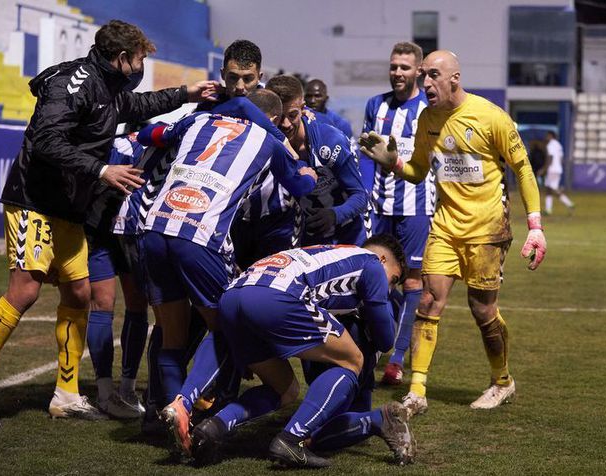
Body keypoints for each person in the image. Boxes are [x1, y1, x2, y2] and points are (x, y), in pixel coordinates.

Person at [0, 19, 220, 430]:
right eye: (141, 58)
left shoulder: (109, 86)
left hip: (68, 206)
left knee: (79, 293)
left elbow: (139, 106)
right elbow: (45, 140)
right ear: (122, 58)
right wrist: (101, 170)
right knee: (24, 291)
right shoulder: (73, 84)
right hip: (33, 200)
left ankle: (67, 394)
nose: (143, 66)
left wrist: (186, 94)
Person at [359, 50, 547, 414]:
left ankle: (502, 382)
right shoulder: (428, 118)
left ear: (453, 79)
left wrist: (535, 226)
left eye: (432, 76)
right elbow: (417, 171)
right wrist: (392, 162)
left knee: (482, 310)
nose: (425, 83)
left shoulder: (491, 117)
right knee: (428, 301)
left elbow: (523, 170)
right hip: (445, 227)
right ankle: (417, 390)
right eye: (423, 76)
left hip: (487, 230)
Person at [134, 89, 317, 456]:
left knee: (172, 335)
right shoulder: (270, 139)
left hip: (153, 229)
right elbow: (299, 186)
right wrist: (309, 172)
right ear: (277, 119)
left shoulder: (199, 120)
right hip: (198, 236)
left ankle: (170, 418)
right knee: (225, 327)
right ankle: (186, 404)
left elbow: (146, 135)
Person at [192, 236, 409, 468]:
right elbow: (386, 340)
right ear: (382, 258)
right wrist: (382, 308)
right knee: (352, 360)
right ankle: (291, 439)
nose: (390, 288)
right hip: (280, 297)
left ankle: (214, 426)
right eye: (393, 279)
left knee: (284, 389)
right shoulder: (372, 263)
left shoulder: (331, 253)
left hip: (235, 295)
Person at [359, 42, 435, 387]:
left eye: (405, 67)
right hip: (379, 206)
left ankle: (398, 359)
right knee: (374, 277)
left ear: (418, 70)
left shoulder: (428, 109)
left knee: (413, 282)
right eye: (394, 67)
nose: (398, 73)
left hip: (416, 206)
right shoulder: (376, 105)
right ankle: (376, 345)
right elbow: (364, 153)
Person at [84, 132, 150, 419]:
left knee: (105, 306)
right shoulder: (155, 142)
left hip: (99, 225)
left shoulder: (112, 140)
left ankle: (110, 391)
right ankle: (120, 389)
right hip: (122, 230)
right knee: (131, 306)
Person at [266, 75, 369, 247]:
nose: (285, 124)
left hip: (349, 233)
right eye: (278, 117)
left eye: (292, 115)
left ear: (302, 108)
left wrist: (334, 215)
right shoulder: (267, 141)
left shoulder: (329, 140)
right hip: (308, 234)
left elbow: (360, 197)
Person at [542, 131, 575, 215]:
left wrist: (545, 168)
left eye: (547, 135)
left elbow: (550, 157)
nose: (546, 137)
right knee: (549, 189)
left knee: (552, 189)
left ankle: (569, 203)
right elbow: (561, 158)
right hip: (558, 169)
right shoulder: (558, 145)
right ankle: (548, 209)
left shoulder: (550, 145)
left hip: (552, 169)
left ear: (550, 136)